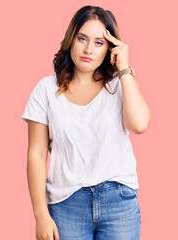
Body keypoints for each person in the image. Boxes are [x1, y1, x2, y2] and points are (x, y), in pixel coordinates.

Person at [21, 5, 150, 240]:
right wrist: (41, 215)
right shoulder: (46, 89)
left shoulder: (119, 84)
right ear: (71, 39)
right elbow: (37, 155)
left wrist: (124, 69)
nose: (88, 49)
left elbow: (139, 125)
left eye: (99, 42)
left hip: (119, 201)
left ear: (110, 48)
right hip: (67, 203)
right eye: (82, 38)